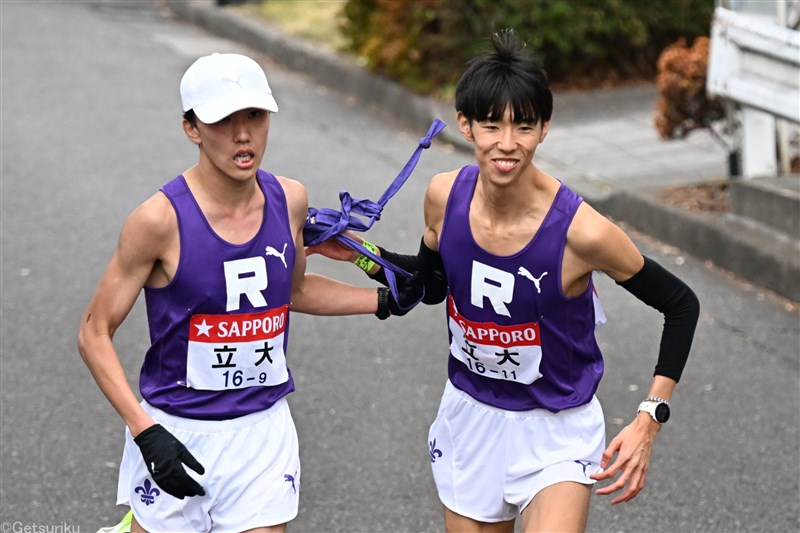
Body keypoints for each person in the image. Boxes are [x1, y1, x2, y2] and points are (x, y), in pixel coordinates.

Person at [310, 29, 700, 532]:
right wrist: (360, 256)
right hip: (472, 417)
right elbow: (429, 287)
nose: (507, 145)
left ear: (544, 130)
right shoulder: (443, 197)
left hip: (557, 427)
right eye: (492, 126)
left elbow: (681, 303)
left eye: (524, 127)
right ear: (465, 125)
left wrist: (650, 415)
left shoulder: (582, 232)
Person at [78, 52, 403, 533]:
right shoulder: (158, 221)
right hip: (177, 429)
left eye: (254, 115)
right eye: (223, 120)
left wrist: (382, 299)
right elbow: (94, 332)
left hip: (261, 432)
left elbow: (290, 293)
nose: (243, 134)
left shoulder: (289, 199)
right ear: (192, 129)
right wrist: (145, 431)